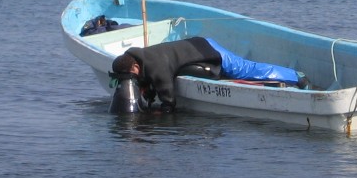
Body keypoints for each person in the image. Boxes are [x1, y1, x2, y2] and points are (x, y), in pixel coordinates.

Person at [111, 36, 307, 111]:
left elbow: (168, 97)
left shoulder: (154, 63)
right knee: (247, 69)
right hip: (196, 44)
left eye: (131, 77)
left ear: (135, 68)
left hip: (207, 50)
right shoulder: (143, 56)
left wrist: (163, 111)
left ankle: (296, 77)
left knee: (249, 70)